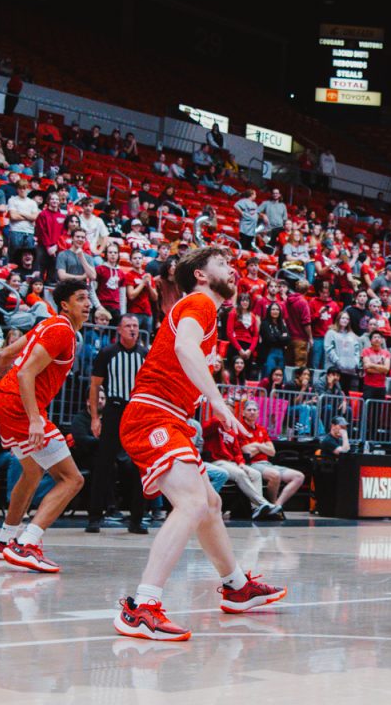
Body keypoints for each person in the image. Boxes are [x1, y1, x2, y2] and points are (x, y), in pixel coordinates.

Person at [114, 246, 286, 641]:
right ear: (202, 275)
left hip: (169, 417)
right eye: (223, 264)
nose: (233, 269)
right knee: (192, 503)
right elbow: (183, 348)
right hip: (151, 415)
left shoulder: (206, 312)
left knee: (210, 503)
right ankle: (141, 607)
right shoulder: (200, 304)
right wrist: (217, 401)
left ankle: (236, 586)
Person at [0, 280, 92, 573]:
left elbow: (5, 356)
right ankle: (27, 544)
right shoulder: (60, 330)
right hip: (21, 407)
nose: (88, 303)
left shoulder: (49, 325)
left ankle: (4, 541)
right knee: (72, 479)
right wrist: (34, 418)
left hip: (7, 402)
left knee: (32, 472)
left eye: (88, 298)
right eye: (80, 298)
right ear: (65, 305)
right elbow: (26, 373)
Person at [86, 315, 148, 534]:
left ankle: (137, 519)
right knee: (104, 464)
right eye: (128, 326)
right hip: (113, 409)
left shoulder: (144, 355)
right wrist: (95, 417)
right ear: (119, 330)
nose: (132, 329)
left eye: (135, 326)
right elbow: (94, 386)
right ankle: (94, 516)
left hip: (137, 412)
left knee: (141, 465)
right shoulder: (107, 353)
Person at [201, 417, 282, 521]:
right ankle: (263, 503)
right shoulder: (213, 426)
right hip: (217, 462)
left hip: (232, 463)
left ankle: (256, 509)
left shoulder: (232, 432)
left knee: (255, 474)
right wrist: (221, 414)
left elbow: (237, 452)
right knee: (240, 474)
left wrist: (241, 463)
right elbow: (206, 429)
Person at [239, 400, 305, 512]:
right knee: (275, 475)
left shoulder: (262, 429)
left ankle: (277, 505)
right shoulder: (240, 428)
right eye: (249, 410)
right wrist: (263, 447)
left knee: (299, 477)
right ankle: (272, 504)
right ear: (243, 413)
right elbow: (247, 453)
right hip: (251, 464)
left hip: (267, 464)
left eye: (254, 410)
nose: (252, 412)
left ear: (258, 413)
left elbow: (272, 452)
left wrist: (256, 445)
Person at [360, 330, 391, 400]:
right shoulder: (366, 351)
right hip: (369, 386)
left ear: (382, 340)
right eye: (374, 337)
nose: (377, 339)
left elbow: (386, 369)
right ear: (370, 341)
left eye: (379, 337)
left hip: (381, 387)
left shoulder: (386, 353)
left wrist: (371, 365)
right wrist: (382, 369)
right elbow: (368, 369)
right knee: (367, 409)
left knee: (378, 410)